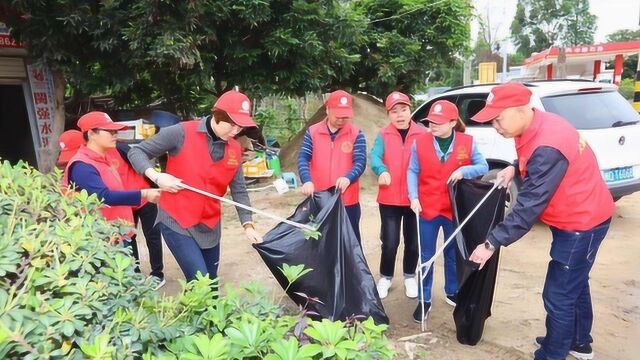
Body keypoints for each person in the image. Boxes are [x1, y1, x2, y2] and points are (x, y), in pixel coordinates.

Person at [468, 83, 615, 360]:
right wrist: (514, 166)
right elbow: (529, 153)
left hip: (580, 225)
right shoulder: (537, 123)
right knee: (575, 282)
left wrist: (491, 243)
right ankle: (579, 341)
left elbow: (528, 207)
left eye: (498, 118)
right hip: (579, 215)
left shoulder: (548, 144)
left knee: (558, 295)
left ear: (522, 109)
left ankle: (552, 353)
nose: (495, 126)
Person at [128, 90, 263, 283]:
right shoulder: (181, 132)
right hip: (177, 220)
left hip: (209, 224)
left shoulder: (234, 148)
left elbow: (239, 190)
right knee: (201, 282)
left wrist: (248, 225)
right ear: (217, 115)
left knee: (212, 286)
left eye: (240, 127)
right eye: (232, 124)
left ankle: (195, 312)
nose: (235, 131)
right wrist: (157, 177)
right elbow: (138, 152)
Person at [407, 100, 488, 324]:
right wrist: (413, 196)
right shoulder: (419, 143)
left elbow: (484, 167)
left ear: (453, 122)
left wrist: (464, 170)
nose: (432, 125)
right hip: (427, 209)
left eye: (439, 122)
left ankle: (452, 290)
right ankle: (424, 300)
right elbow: (412, 170)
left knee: (452, 253)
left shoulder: (467, 143)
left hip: (453, 209)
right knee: (426, 255)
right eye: (430, 121)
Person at [62, 112, 161, 243]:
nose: (115, 135)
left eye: (115, 131)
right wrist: (144, 193)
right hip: (104, 238)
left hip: (120, 232)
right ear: (91, 134)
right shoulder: (82, 165)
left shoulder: (105, 158)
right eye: (110, 131)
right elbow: (103, 196)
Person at [370, 91, 427, 299]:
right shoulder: (383, 135)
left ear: (411, 111)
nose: (400, 115)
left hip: (415, 200)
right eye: (394, 111)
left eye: (403, 110)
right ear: (388, 115)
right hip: (389, 199)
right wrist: (381, 170)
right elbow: (375, 156)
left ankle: (410, 276)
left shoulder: (422, 134)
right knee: (390, 241)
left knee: (413, 242)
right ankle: (385, 276)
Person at [297, 90, 367, 242]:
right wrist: (307, 180)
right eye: (338, 116)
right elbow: (303, 157)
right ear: (327, 110)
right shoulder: (313, 132)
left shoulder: (356, 134)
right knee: (320, 243)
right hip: (319, 199)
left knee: (350, 243)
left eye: (345, 116)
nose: (342, 120)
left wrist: (349, 178)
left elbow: (360, 162)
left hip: (347, 201)